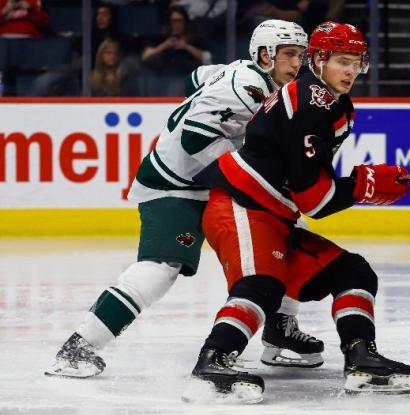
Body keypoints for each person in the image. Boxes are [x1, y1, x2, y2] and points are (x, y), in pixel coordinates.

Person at [45, 20, 321, 378]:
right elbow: (194, 139)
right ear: (265, 55)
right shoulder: (245, 89)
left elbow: (198, 75)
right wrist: (254, 167)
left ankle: (279, 328)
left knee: (287, 231)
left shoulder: (246, 74)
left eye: (301, 55)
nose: (297, 64)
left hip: (206, 179)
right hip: (174, 183)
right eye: (289, 55)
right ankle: (79, 346)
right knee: (160, 268)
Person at [187, 21, 410, 402]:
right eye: (342, 61)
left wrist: (365, 183)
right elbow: (314, 199)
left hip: (272, 212)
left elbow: (311, 184)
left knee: (353, 271)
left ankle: (361, 359)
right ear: (319, 60)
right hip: (240, 204)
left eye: (357, 62)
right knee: (262, 286)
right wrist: (363, 185)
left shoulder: (330, 103)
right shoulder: (312, 104)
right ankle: (212, 362)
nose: (350, 71)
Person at [142, 5, 211, 76]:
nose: (177, 24)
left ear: (185, 21)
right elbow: (145, 56)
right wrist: (164, 45)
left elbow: (207, 58)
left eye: (180, 20)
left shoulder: (194, 38)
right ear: (169, 22)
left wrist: (187, 47)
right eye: (174, 21)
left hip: (188, 76)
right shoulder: (160, 37)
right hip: (164, 76)